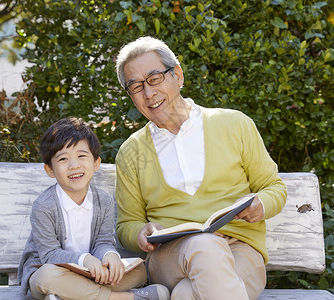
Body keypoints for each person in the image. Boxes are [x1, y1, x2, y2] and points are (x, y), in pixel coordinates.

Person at [114, 36, 287, 300]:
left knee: (185, 295)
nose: (148, 93)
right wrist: (139, 233)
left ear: (178, 75)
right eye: (136, 87)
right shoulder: (131, 152)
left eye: (154, 78)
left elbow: (273, 187)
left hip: (241, 250)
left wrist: (260, 204)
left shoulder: (235, 124)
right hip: (171, 256)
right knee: (204, 247)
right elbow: (127, 223)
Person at [18, 117, 170, 300]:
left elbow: (103, 242)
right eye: (63, 159)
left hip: (91, 274)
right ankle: (124, 298)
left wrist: (110, 255)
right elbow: (49, 255)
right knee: (46, 277)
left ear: (96, 163)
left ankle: (74, 295)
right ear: (50, 169)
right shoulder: (44, 206)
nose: (74, 165)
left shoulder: (103, 201)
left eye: (82, 156)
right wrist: (85, 260)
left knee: (139, 271)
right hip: (51, 270)